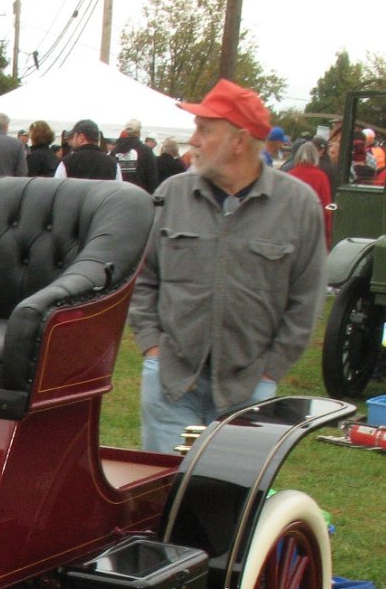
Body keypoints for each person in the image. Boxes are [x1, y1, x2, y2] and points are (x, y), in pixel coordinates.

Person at [128, 79, 326, 453]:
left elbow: (307, 298)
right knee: (166, 485)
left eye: (205, 130)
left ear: (238, 141)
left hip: (249, 389)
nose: (193, 140)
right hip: (171, 379)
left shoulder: (298, 205)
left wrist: (271, 370)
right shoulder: (171, 194)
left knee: (230, 487)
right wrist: (152, 346)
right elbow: (142, 276)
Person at [287, 139, 333, 246]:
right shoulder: (321, 177)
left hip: (291, 228)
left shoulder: (289, 175)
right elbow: (326, 207)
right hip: (313, 229)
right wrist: (327, 234)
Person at [54, 120, 120, 180]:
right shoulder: (113, 164)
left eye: (74, 137)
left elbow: (58, 187)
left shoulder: (66, 163)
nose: (71, 142)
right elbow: (118, 188)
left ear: (80, 138)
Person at [112, 118, 158, 191]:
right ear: (138, 132)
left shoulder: (115, 151)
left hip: (118, 192)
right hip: (139, 193)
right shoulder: (145, 150)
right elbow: (151, 176)